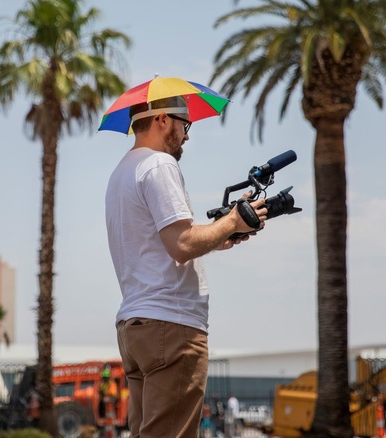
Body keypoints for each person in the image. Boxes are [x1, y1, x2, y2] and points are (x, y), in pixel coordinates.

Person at [105, 95, 268, 438]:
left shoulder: (121, 173)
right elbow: (181, 245)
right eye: (185, 124)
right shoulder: (160, 165)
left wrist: (223, 234)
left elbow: (162, 245)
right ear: (163, 120)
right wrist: (235, 219)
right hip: (172, 326)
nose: (188, 135)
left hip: (137, 326)